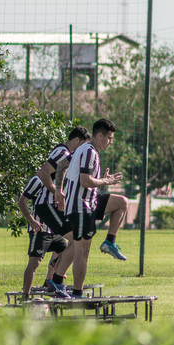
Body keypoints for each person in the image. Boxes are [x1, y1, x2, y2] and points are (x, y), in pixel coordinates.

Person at [53, 118, 128, 299]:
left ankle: (109, 242)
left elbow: (62, 164)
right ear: (99, 135)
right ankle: (76, 292)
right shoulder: (88, 152)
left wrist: (59, 190)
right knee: (82, 251)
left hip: (90, 201)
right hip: (80, 206)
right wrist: (105, 181)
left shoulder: (86, 150)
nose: (111, 142)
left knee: (122, 202)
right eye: (109, 138)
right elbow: (85, 181)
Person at [35, 126, 90, 298]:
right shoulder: (63, 151)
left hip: (53, 205)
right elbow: (43, 173)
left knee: (68, 243)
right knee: (77, 239)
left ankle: (52, 280)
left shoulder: (68, 155)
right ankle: (55, 281)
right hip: (47, 204)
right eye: (82, 146)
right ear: (76, 141)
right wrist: (57, 193)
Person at [17, 175, 68, 301]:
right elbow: (22, 201)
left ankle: (50, 281)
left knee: (68, 252)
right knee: (34, 262)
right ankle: (25, 296)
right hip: (40, 230)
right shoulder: (38, 180)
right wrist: (31, 221)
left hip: (55, 230)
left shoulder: (63, 181)